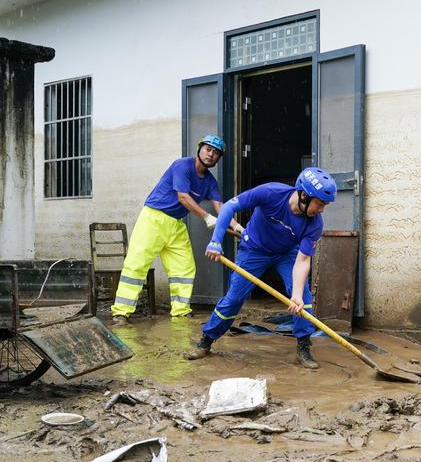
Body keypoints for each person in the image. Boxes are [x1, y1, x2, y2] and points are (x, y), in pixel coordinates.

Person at [184, 167, 336, 368]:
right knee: (234, 298)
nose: (322, 210)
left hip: (286, 254)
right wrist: (216, 241)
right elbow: (229, 207)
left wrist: (297, 295)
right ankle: (206, 340)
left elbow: (303, 260)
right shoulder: (271, 193)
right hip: (253, 250)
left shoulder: (314, 224)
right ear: (304, 195)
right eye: (320, 203)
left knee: (303, 299)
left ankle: (303, 346)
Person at [111, 135, 243, 324]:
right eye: (208, 149)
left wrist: (239, 228)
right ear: (200, 149)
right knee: (137, 264)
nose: (211, 155)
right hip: (153, 218)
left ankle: (181, 310)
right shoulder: (182, 165)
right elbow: (183, 197)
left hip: (176, 223)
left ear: (218, 158)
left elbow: (221, 208)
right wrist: (206, 217)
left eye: (216, 153)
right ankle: (121, 312)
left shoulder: (210, 182)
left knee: (184, 267)